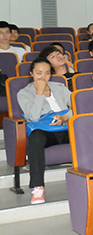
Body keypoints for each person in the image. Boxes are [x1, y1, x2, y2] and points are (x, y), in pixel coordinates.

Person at [17, 58, 71, 204]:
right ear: (31, 73)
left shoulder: (59, 87)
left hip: (66, 127)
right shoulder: (24, 93)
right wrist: (39, 92)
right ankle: (38, 187)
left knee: (88, 131)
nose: (43, 77)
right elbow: (33, 117)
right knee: (35, 137)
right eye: (39, 73)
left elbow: (79, 104)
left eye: (47, 73)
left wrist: (65, 117)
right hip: (45, 131)